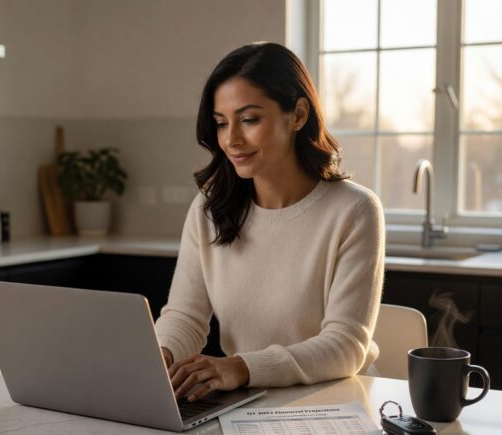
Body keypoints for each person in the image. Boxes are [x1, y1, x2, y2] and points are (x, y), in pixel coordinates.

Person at [154, 42, 385, 402]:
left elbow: (346, 346)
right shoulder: (209, 210)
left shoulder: (354, 210)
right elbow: (185, 316)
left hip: (334, 405)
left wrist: (242, 367)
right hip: (248, 402)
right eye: (220, 123)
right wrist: (160, 357)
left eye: (249, 119)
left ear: (298, 115)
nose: (231, 140)